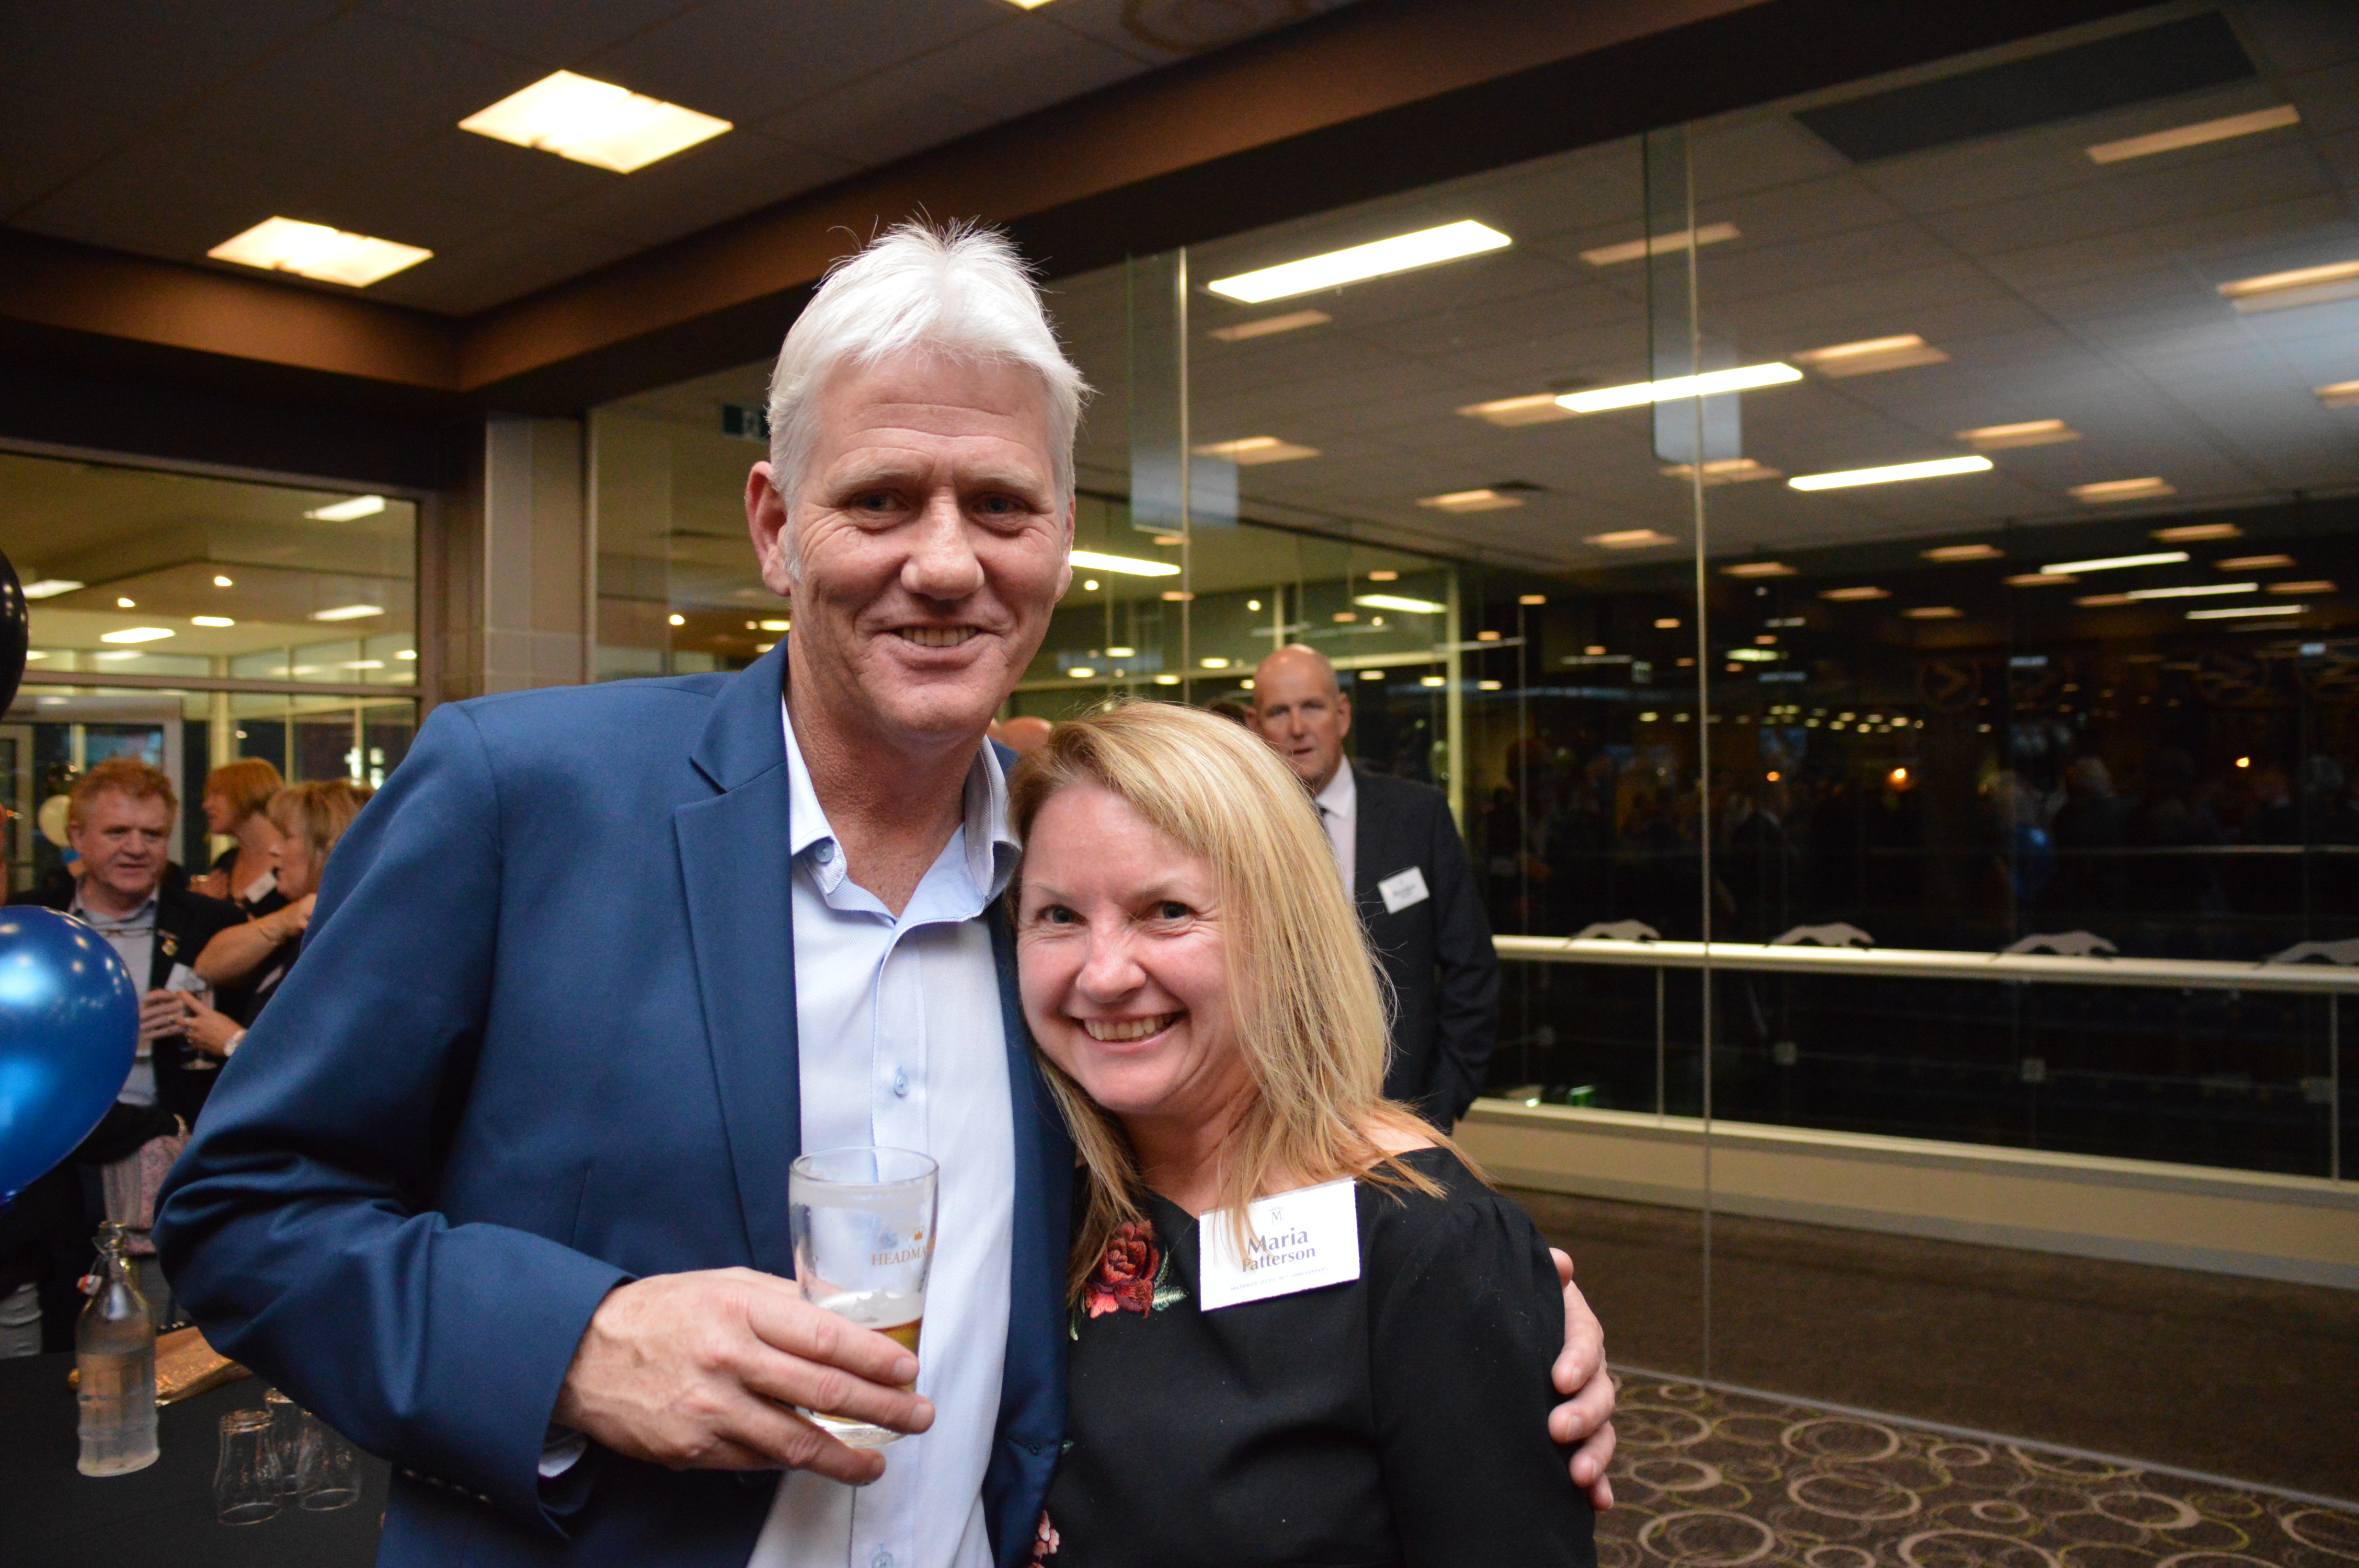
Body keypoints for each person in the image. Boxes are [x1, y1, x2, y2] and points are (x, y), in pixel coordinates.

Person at [155, 222, 1614, 1568]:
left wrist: (1480, 1300)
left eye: (1001, 505)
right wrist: (573, 1348)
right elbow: (244, 1209)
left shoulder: (1063, 880)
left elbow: (1216, 1150)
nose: (946, 562)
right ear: (775, 524)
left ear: (1058, 538)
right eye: (880, 500)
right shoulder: (524, 796)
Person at [1012, 701, 1595, 1566]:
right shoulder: (1036, 1188)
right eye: (1058, 916)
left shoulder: (1428, 1246)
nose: (1103, 974)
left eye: (1167, 910)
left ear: (1281, 933)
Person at [1251, 645, 1499, 1127]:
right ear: (1256, 726)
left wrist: (1442, 1103)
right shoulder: (1240, 834)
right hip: (1277, 1121)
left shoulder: (1418, 817)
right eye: (1279, 712)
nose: (1298, 728)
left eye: (1313, 707)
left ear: (1342, 715)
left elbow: (1472, 969)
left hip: (1403, 1113)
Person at [180, 779, 372, 1063]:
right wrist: (285, 920)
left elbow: (333, 1060)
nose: (274, 850)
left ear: (328, 848)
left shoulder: (354, 939)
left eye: (287, 837)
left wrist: (234, 1042)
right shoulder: (302, 921)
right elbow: (208, 965)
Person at [189, 757, 287, 914]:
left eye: (217, 794)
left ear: (248, 793)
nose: (206, 805)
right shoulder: (226, 862)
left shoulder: (293, 861)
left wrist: (215, 909)